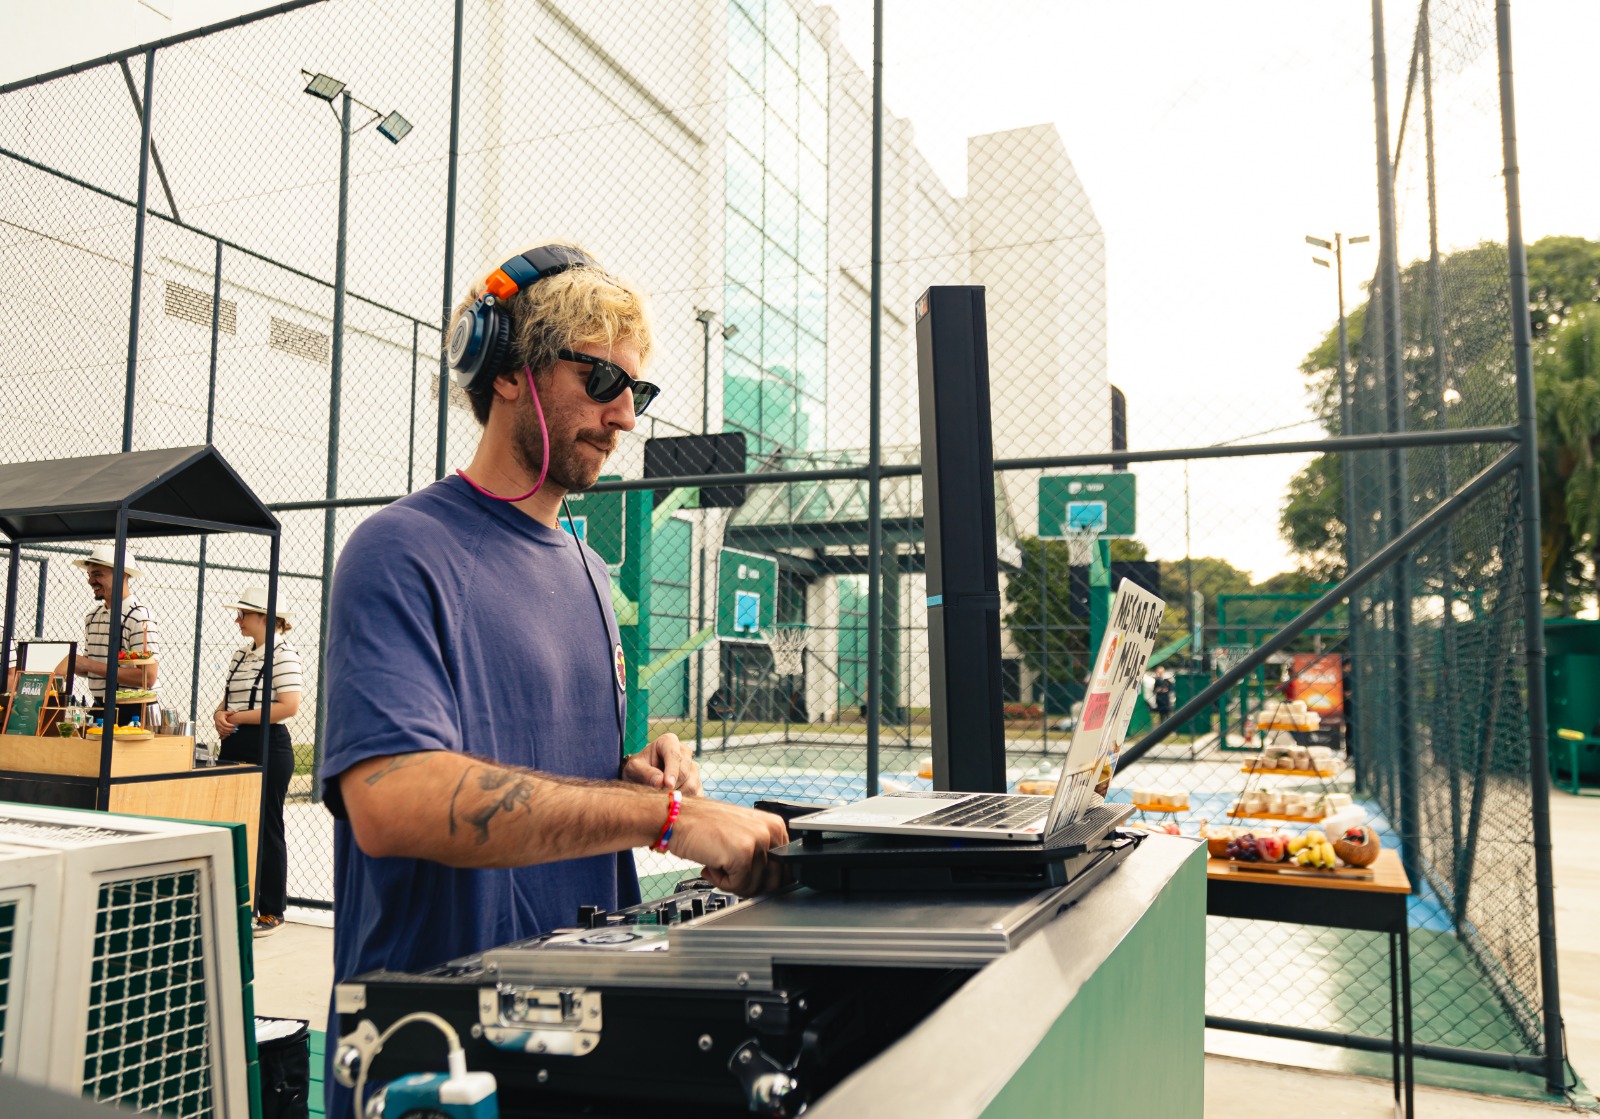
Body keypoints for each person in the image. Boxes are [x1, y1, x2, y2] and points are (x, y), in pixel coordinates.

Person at [320, 243, 787, 1115]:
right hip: (434, 1056)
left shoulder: (590, 574)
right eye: (602, 381)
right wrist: (669, 817)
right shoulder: (399, 551)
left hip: (575, 1047)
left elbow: (535, 769)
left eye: (636, 393)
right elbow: (393, 799)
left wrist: (635, 775)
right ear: (509, 371)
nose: (624, 417)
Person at [214, 586, 302, 938]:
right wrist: (220, 716)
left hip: (269, 745)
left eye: (244, 614)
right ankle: (232, 901)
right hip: (235, 743)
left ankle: (271, 909)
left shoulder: (284, 655)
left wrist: (235, 718)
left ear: (266, 618)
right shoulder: (240, 654)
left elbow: (289, 706)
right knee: (231, 822)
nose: (238, 619)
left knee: (267, 826)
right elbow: (227, 700)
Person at [65, 543, 160, 726]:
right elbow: (89, 668)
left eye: (98, 574)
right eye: (90, 574)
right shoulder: (92, 617)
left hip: (134, 711)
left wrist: (89, 664)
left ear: (121, 575)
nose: (90, 581)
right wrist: (67, 661)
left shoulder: (139, 617)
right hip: (100, 706)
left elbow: (148, 678)